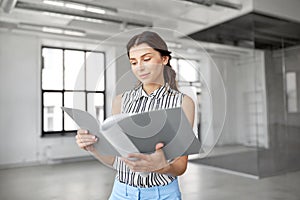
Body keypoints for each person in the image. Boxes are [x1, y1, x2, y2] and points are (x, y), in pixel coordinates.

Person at [76, 31, 195, 200]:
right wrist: (93, 147)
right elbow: (117, 160)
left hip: (162, 194)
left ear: (164, 59)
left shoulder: (183, 103)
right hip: (121, 192)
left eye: (146, 59)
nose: (139, 67)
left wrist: (161, 166)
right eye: (134, 62)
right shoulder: (120, 101)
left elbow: (181, 165)